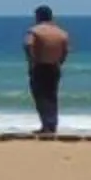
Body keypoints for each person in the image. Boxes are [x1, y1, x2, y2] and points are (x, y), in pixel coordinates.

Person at [24, 7, 70, 136]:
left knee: (40, 96)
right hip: (54, 66)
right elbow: (66, 50)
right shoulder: (61, 33)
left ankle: (46, 125)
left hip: (40, 65)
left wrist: (32, 60)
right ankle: (52, 124)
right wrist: (60, 61)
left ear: (38, 16)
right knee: (52, 96)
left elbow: (28, 44)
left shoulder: (35, 31)